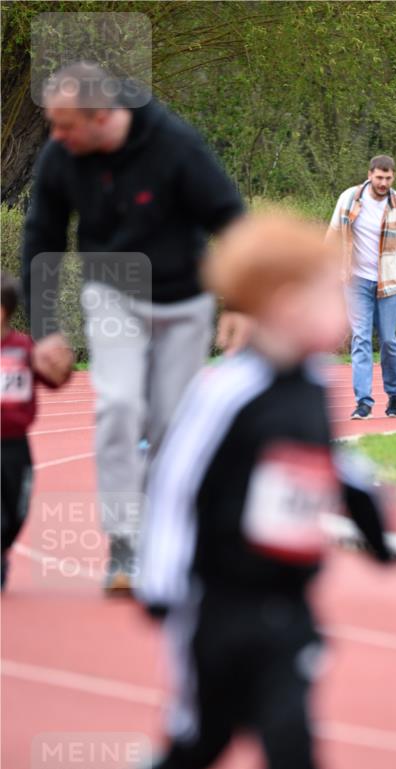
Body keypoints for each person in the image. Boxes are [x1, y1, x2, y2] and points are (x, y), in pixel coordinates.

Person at [133, 212, 393, 769]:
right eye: (329, 294)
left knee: (290, 732)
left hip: (287, 603)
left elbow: (332, 461)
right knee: (207, 736)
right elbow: (174, 484)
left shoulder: (311, 385)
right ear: (283, 306)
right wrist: (159, 582)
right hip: (214, 600)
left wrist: (375, 528)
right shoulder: (225, 391)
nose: (343, 308)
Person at [22, 62, 245, 593]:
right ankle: (126, 545)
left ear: (101, 116)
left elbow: (231, 218)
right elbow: (42, 239)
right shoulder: (62, 157)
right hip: (113, 294)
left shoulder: (174, 145)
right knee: (119, 406)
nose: (55, 137)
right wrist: (45, 330)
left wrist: (241, 302)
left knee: (170, 425)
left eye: (64, 125)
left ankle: (169, 539)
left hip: (183, 302)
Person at [327, 155, 396, 420]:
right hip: (355, 280)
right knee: (361, 339)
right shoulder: (349, 199)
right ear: (370, 175)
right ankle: (363, 401)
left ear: (393, 177)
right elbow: (332, 236)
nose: (383, 183)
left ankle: (394, 393)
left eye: (388, 178)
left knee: (388, 340)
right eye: (379, 177)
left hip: (390, 283)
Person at [1, 272, 72, 589]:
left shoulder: (24, 347)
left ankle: (3, 547)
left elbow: (55, 380)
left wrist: (62, 366)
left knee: (17, 508)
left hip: (16, 446)